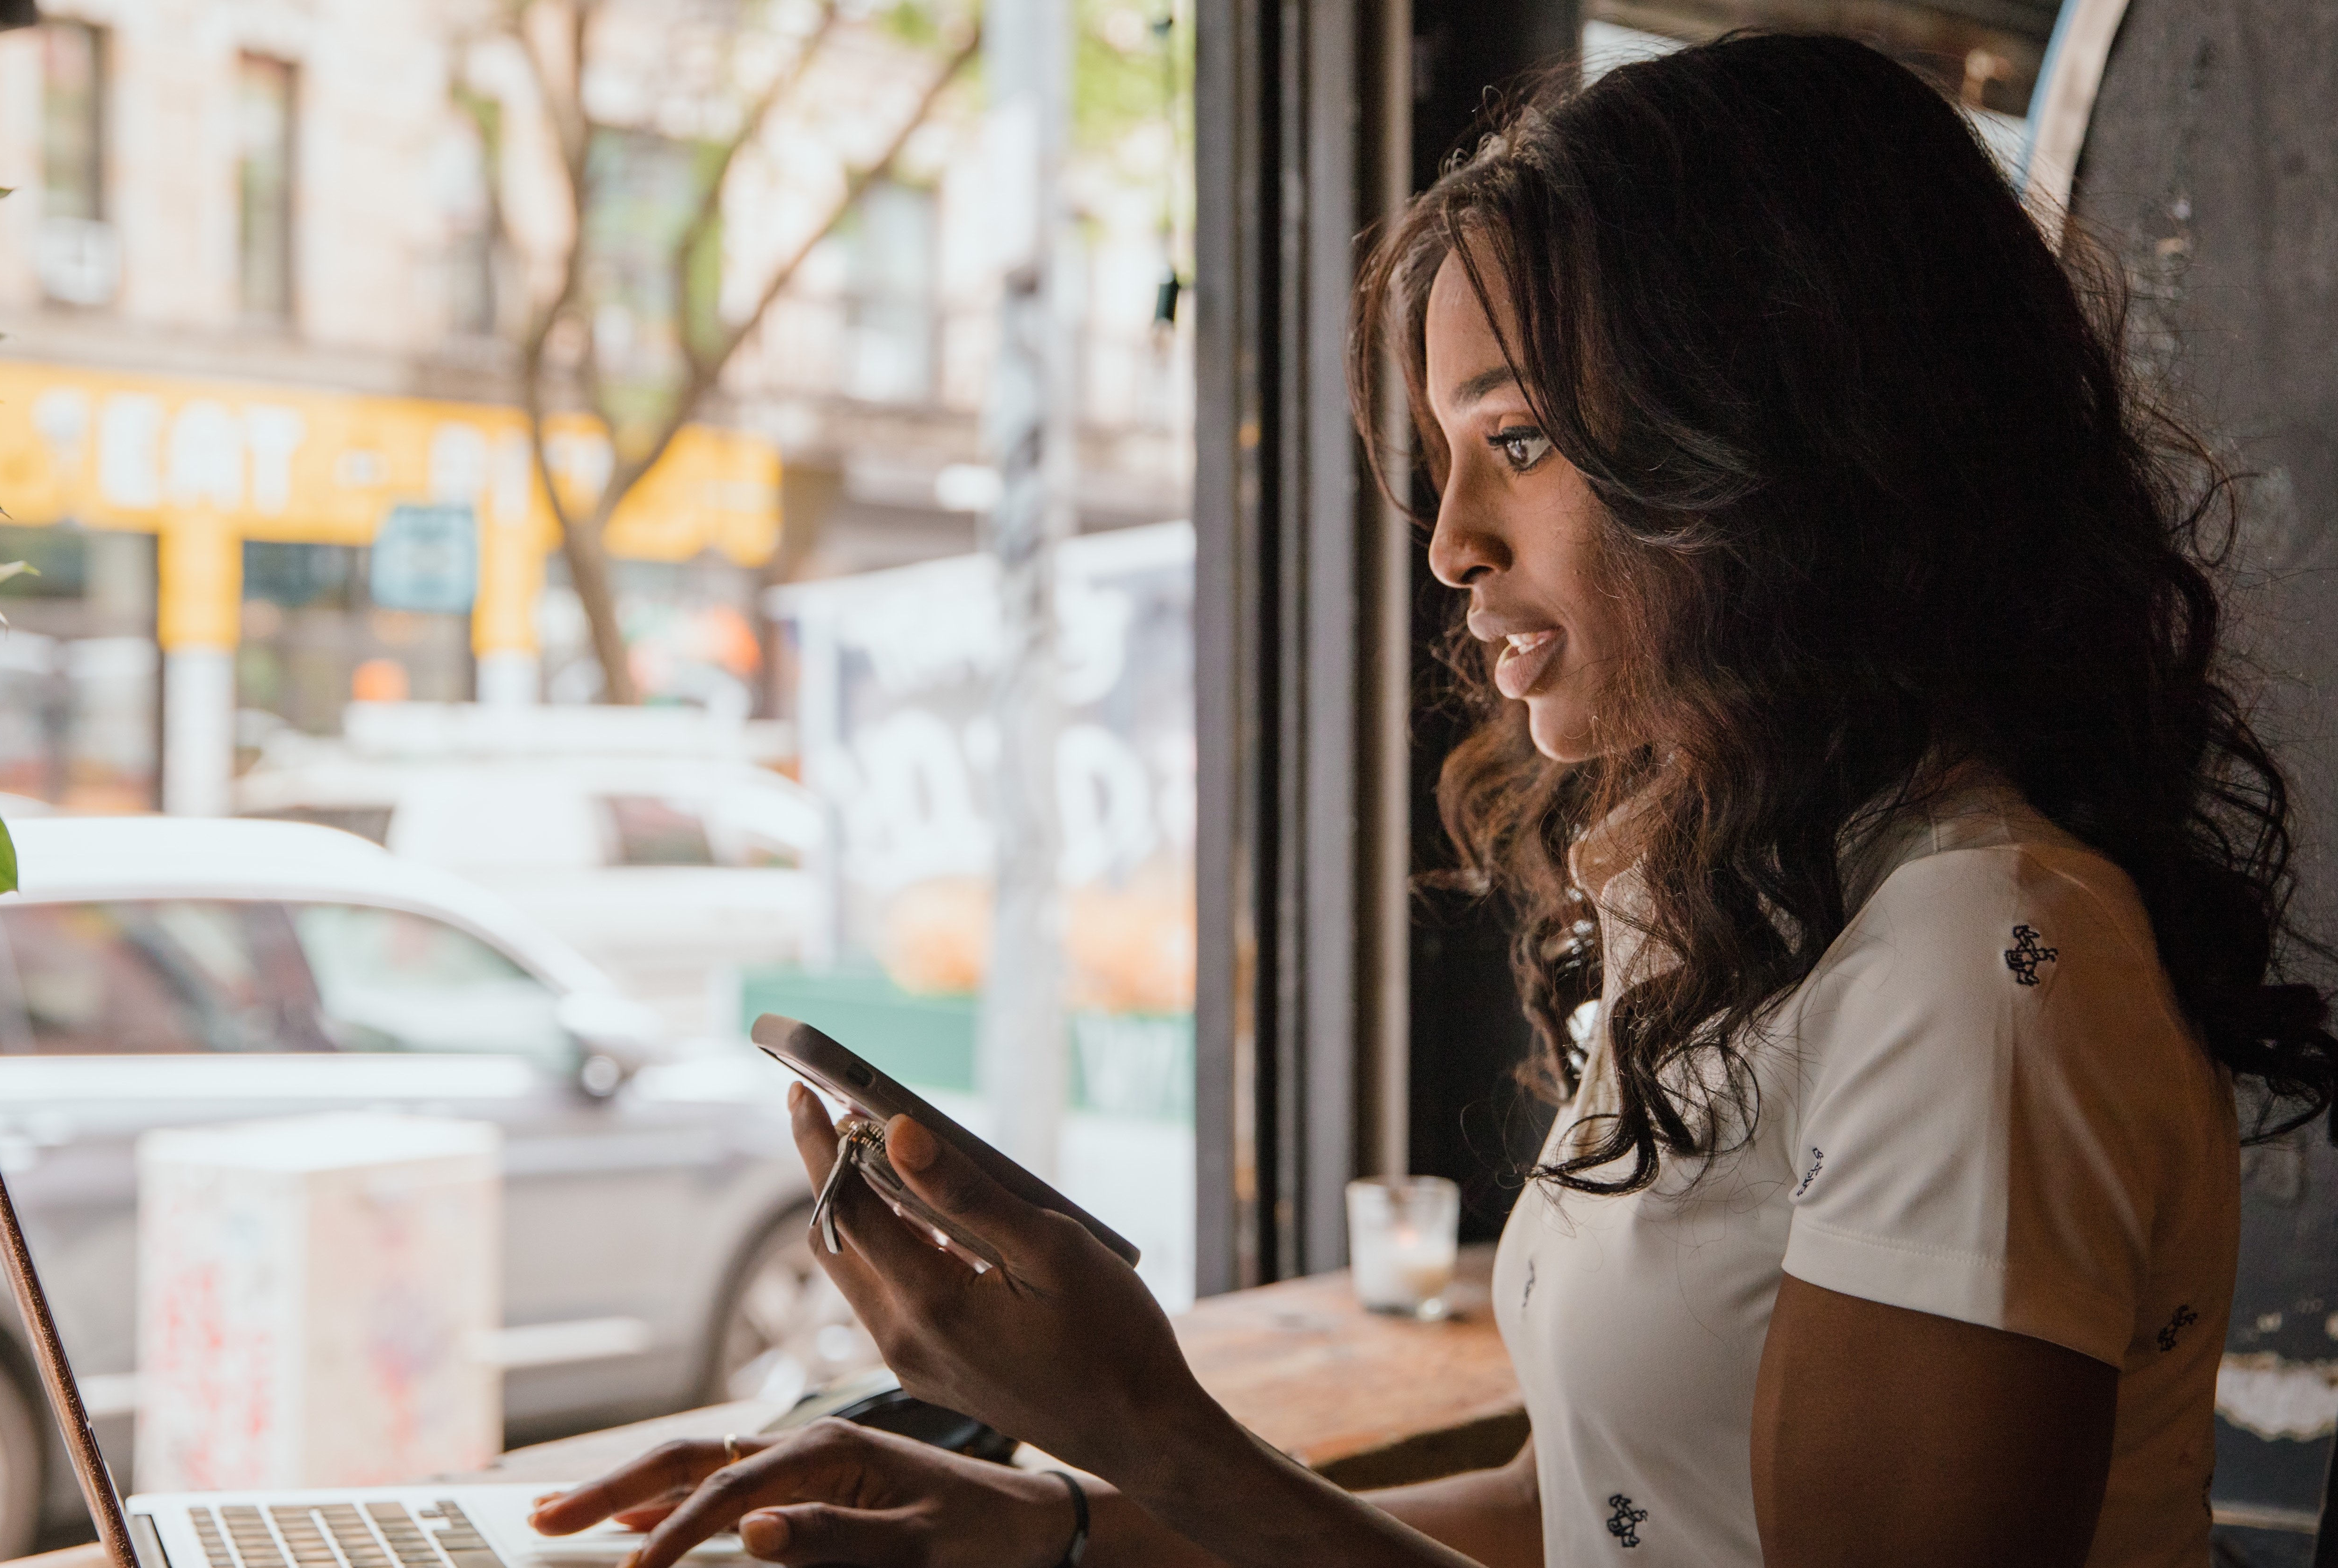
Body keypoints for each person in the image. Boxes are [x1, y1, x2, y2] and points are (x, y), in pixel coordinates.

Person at [531, 31, 2338, 1568]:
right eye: (1446, 457)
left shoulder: (1974, 955)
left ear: (1786, 437)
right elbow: (1586, 1509)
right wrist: (1063, 1524)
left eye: (1523, 442)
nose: (1453, 543)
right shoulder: (1744, 903)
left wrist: (1156, 1429)